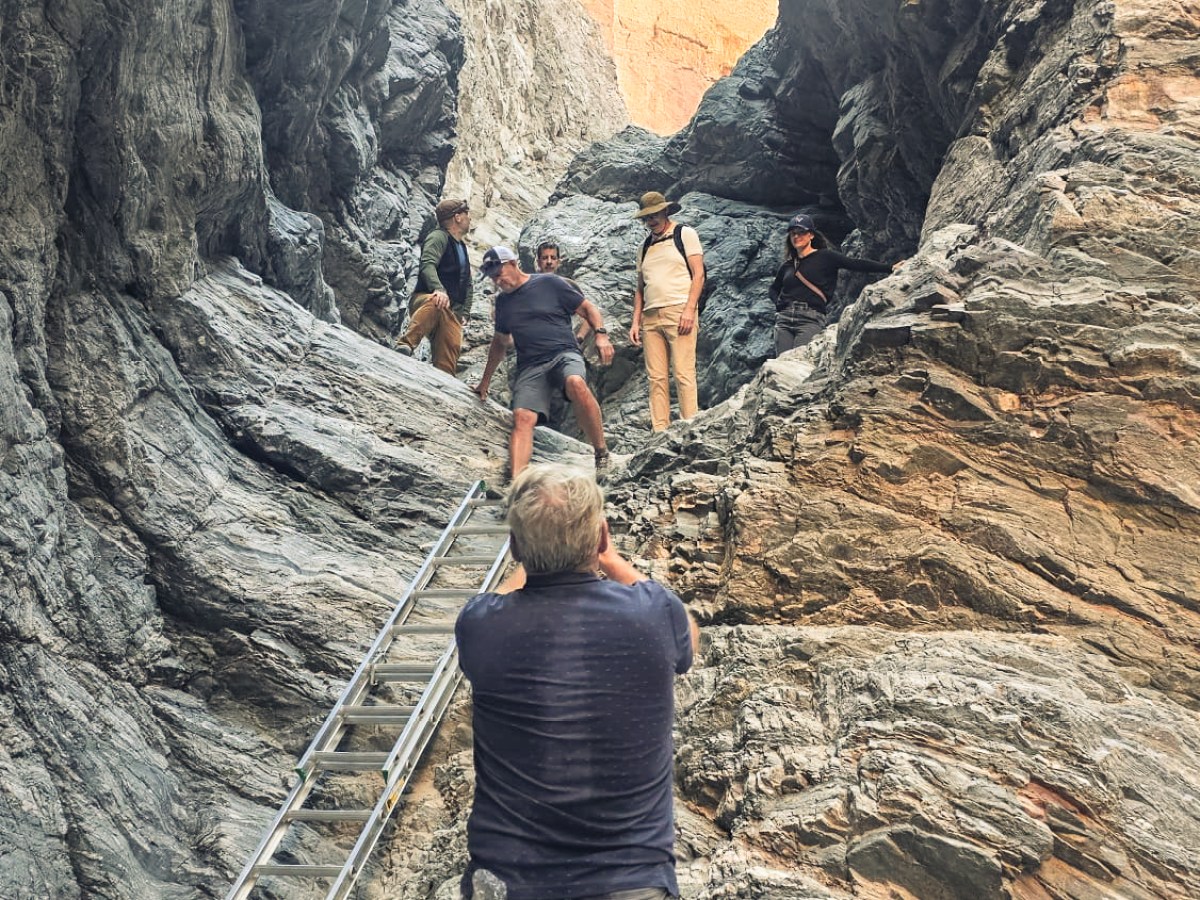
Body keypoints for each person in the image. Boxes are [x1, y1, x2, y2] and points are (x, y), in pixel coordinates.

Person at [455, 464, 699, 900]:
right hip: (631, 880)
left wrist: (531, 557)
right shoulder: (654, 615)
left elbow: (508, 596)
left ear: (514, 548)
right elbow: (688, 642)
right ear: (602, 536)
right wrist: (610, 558)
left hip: (510, 882)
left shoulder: (480, 626)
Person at [473, 246, 614, 479]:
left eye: (499, 273)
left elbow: (588, 308)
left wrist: (601, 335)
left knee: (576, 383)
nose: (498, 280)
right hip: (531, 365)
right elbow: (499, 343)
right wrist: (484, 382)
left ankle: (601, 453)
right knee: (522, 416)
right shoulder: (503, 303)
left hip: (563, 353)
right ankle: (519, 483)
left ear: (513, 263)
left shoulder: (550, 283)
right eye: (493, 277)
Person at [768, 213, 905, 356]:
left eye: (801, 232)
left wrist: (889, 268)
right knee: (782, 363)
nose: (796, 237)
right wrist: (778, 304)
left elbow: (854, 263)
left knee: (797, 362)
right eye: (793, 234)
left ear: (811, 235)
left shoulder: (826, 257)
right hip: (784, 320)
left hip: (810, 318)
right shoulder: (788, 266)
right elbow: (773, 289)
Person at [630, 191, 704, 432]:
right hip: (650, 317)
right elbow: (640, 288)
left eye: (654, 215)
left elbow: (699, 274)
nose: (651, 221)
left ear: (665, 211)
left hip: (678, 310)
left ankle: (689, 426)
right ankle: (660, 431)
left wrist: (689, 310)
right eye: (646, 218)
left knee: (683, 372)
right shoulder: (644, 247)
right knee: (656, 379)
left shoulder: (685, 234)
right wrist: (635, 322)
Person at [395, 198, 473, 374]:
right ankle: (406, 344)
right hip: (426, 300)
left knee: (449, 358)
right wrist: (439, 289)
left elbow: (467, 283)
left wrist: (464, 313)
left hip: (451, 311)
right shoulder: (438, 237)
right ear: (458, 217)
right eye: (466, 214)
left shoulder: (461, 247)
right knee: (437, 302)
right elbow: (427, 264)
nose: (469, 218)